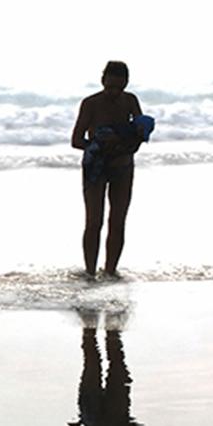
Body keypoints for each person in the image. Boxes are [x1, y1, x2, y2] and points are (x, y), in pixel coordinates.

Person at [71, 61, 153, 277]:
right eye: (110, 88)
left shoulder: (130, 101)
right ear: (102, 81)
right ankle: (89, 273)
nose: (114, 92)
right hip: (96, 167)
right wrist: (98, 145)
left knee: (117, 221)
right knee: (94, 221)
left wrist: (128, 140)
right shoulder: (90, 104)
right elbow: (76, 140)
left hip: (122, 166)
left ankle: (111, 271)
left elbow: (139, 133)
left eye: (119, 88)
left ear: (126, 84)